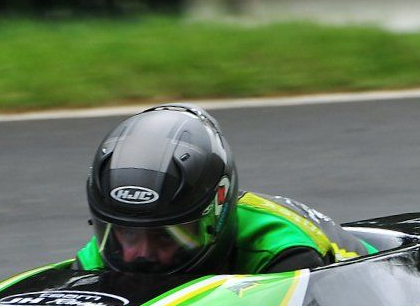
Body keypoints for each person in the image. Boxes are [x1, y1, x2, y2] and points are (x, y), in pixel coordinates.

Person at [79, 103, 362, 282]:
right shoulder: (96, 260)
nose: (140, 255)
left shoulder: (285, 255)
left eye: (166, 236)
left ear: (218, 210)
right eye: (127, 233)